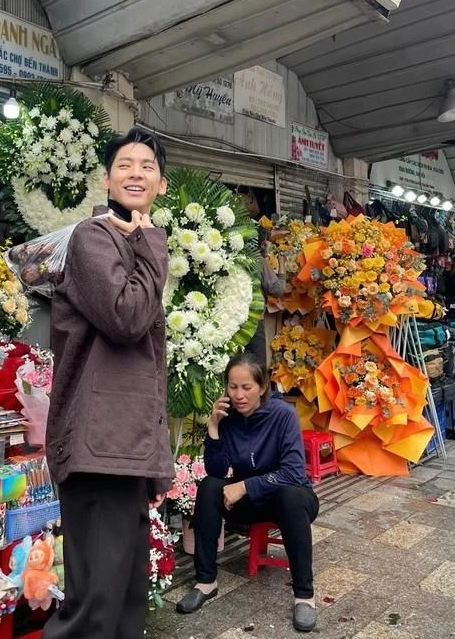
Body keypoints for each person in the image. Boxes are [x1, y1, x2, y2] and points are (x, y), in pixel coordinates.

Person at [43, 127, 175, 639]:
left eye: (147, 166)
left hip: (123, 443)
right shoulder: (92, 237)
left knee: (124, 596)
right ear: (106, 179)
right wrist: (153, 243)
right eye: (125, 165)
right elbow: (127, 317)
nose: (136, 173)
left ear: (161, 184)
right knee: (95, 606)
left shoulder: (133, 240)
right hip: (99, 444)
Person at [176, 353, 320, 633]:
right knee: (209, 487)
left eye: (246, 387)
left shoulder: (283, 415)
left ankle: (304, 596)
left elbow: (293, 472)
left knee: (290, 497)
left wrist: (244, 486)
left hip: (290, 498)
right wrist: (214, 427)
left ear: (263, 387)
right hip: (251, 502)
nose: (238, 395)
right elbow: (217, 470)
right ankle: (206, 581)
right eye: (232, 387)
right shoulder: (229, 418)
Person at [245, 228, 287, 364]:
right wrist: (282, 264)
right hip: (254, 319)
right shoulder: (258, 260)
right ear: (262, 244)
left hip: (232, 318)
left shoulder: (231, 257)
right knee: (257, 364)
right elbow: (278, 290)